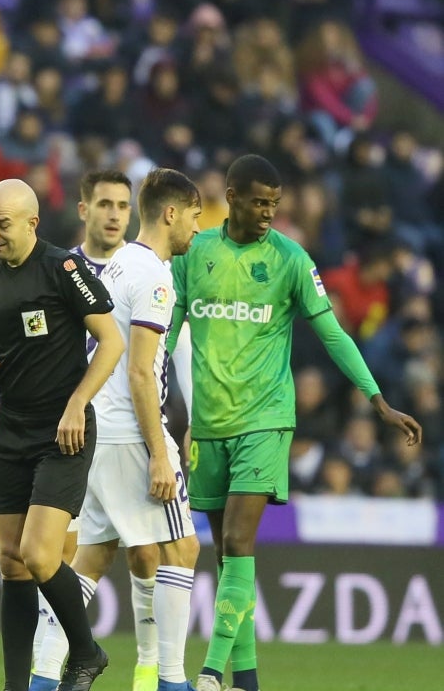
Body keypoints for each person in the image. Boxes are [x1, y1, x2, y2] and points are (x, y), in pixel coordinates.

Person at [166, 154, 422, 691]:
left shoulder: (290, 259)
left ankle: (211, 673)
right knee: (227, 554)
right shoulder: (195, 253)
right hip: (209, 423)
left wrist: (378, 400)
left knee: (238, 543)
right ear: (231, 196)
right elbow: (168, 328)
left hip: (265, 419)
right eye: (258, 202)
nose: (267, 213)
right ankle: (250, 678)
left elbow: (332, 333)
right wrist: (151, 391)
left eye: (274, 204)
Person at [0, 178, 124, 691]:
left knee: (40, 555)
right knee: (11, 563)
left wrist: (77, 404)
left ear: (32, 223)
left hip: (64, 431)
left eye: (1, 224)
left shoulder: (63, 267)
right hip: (12, 432)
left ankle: (86, 653)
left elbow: (111, 341)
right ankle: (15, 686)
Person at [32, 169, 163, 691]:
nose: (114, 214)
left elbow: (163, 356)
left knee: (147, 551)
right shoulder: (57, 269)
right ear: (83, 209)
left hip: (129, 433)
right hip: (73, 437)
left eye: (122, 206)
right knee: (65, 562)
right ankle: (48, 674)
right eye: (104, 204)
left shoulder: (144, 269)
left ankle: (149, 672)